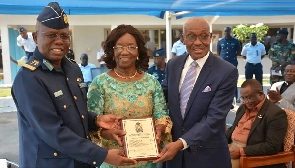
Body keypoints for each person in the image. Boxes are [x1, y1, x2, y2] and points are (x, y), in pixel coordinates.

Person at [11, 2, 137, 168]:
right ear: (35, 37)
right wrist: (102, 155)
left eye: (64, 36)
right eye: (51, 35)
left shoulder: (71, 68)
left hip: (79, 161)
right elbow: (53, 131)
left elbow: (74, 112)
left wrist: (97, 120)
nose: (59, 41)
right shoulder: (29, 78)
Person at [154, 17, 238, 168]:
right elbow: (161, 98)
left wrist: (181, 143)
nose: (198, 42)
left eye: (204, 36)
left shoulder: (226, 71)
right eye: (192, 36)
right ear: (183, 39)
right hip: (174, 158)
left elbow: (214, 118)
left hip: (208, 157)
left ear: (210, 38)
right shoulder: (173, 65)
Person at [87, 24, 172, 168]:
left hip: (146, 161)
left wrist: (159, 129)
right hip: (113, 160)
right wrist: (109, 133)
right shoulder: (100, 83)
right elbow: (91, 124)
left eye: (131, 47)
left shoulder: (152, 82)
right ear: (112, 51)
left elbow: (161, 115)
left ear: (138, 50)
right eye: (119, 47)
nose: (125, 52)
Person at [226, 79, 287, 168]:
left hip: (249, 153)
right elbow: (233, 128)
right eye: (243, 98)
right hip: (231, 146)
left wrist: (241, 151)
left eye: (249, 97)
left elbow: (272, 146)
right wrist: (220, 142)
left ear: (260, 94)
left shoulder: (275, 114)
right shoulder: (242, 108)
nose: (246, 101)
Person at [217, 27, 241, 102]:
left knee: (233, 80)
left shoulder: (235, 41)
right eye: (225, 31)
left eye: (228, 31)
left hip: (232, 63)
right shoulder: (220, 41)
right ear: (224, 32)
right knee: (223, 81)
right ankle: (223, 98)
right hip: (223, 64)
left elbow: (238, 52)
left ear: (230, 32)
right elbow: (218, 52)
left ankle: (235, 97)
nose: (226, 33)